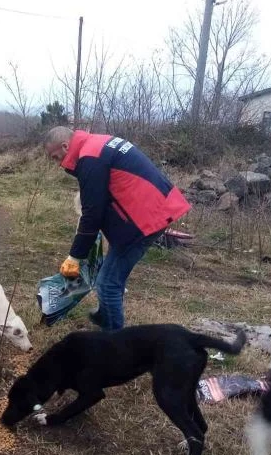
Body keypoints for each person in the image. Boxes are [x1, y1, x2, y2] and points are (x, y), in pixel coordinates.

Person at [43, 126, 191, 331]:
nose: (57, 163)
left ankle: (115, 344)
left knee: (107, 283)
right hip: (152, 209)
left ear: (66, 146)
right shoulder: (94, 144)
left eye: (55, 157)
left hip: (144, 220)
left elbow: (93, 214)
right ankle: (105, 316)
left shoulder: (89, 157)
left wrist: (75, 257)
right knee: (113, 274)